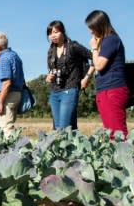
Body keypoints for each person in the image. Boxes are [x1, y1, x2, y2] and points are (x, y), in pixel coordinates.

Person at [84, 10, 128, 139]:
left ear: (100, 25)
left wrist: (94, 48)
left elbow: (99, 65)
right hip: (105, 90)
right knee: (110, 133)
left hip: (113, 89)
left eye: (92, 28)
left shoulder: (111, 40)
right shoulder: (105, 42)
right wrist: (87, 77)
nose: (90, 32)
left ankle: (125, 158)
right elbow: (96, 64)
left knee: (117, 132)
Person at [45, 20, 95, 130]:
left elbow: (95, 58)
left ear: (63, 31)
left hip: (70, 89)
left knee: (63, 129)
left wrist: (87, 77)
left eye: (56, 32)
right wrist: (48, 77)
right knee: (58, 129)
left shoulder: (73, 46)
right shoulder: (51, 51)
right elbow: (52, 70)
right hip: (54, 91)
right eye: (50, 33)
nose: (52, 35)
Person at [0, 32, 25, 138]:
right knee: (9, 124)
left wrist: (0, 102)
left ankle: (10, 153)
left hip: (8, 96)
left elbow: (6, 83)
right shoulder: (14, 55)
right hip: (16, 94)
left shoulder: (4, 59)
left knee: (6, 127)